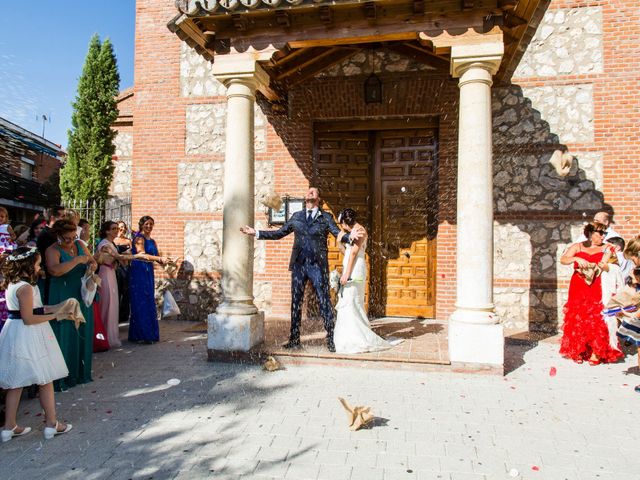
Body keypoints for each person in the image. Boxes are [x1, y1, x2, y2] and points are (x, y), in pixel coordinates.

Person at [240, 187, 360, 352]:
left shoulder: (326, 217)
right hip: (299, 265)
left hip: (318, 266)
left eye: (314, 191)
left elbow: (336, 232)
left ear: (319, 198)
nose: (310, 193)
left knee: (324, 301)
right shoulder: (296, 216)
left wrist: (349, 237)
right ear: (306, 198)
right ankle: (294, 338)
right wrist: (256, 232)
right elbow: (279, 233)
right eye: (308, 191)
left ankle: (331, 338)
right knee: (296, 301)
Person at [0, 247, 72, 442]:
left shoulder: (13, 285)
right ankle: (51, 423)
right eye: (38, 263)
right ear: (28, 265)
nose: (39, 266)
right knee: (44, 379)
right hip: (29, 334)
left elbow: (36, 308)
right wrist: (57, 316)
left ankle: (9, 427)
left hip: (14, 332)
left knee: (16, 382)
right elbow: (29, 318)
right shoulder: (26, 288)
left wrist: (60, 306)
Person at [333, 209, 397, 354]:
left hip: (355, 269)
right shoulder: (351, 232)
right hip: (349, 266)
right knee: (348, 301)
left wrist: (346, 274)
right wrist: (339, 242)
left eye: (341, 224)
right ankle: (347, 336)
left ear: (344, 222)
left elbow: (354, 254)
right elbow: (347, 252)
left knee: (352, 301)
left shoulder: (360, 230)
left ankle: (357, 338)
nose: (342, 227)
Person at [559, 221, 622, 365]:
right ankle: (579, 350)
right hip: (578, 285)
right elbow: (563, 259)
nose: (603, 236)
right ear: (590, 233)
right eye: (600, 233)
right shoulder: (578, 246)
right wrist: (575, 258)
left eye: (604, 233)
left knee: (597, 317)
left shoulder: (608, 248)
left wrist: (605, 266)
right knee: (578, 316)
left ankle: (596, 351)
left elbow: (616, 268)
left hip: (598, 285)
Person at [46, 220, 97, 390]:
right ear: (58, 236)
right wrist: (76, 260)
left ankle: (80, 373)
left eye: (73, 236)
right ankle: (63, 377)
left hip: (80, 293)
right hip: (63, 294)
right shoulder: (52, 250)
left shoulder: (80, 244)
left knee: (81, 330)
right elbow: (55, 270)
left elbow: (92, 261)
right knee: (65, 332)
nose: (70, 241)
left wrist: (92, 265)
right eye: (66, 238)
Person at [129, 216, 169, 343]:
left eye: (151, 224)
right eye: (146, 224)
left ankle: (149, 333)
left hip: (148, 271)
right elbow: (142, 254)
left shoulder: (152, 240)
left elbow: (156, 257)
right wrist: (159, 259)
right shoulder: (139, 238)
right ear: (141, 225)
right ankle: (142, 335)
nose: (149, 226)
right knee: (141, 300)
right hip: (139, 270)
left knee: (148, 300)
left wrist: (165, 261)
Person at [96, 221, 124, 348]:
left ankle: (111, 335)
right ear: (107, 231)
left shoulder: (111, 243)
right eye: (113, 228)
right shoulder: (104, 244)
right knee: (107, 303)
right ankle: (104, 336)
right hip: (105, 273)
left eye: (117, 228)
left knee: (113, 304)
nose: (116, 230)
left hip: (111, 272)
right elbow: (115, 256)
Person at [36, 206, 66, 303]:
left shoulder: (56, 232)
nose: (65, 219)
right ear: (53, 218)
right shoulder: (45, 235)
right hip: (50, 277)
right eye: (63, 216)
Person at [114, 221, 132, 325]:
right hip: (117, 268)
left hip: (126, 268)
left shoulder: (128, 241)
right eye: (120, 228)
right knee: (118, 291)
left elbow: (131, 254)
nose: (122, 230)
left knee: (126, 292)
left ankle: (124, 316)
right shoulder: (114, 241)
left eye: (123, 228)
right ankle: (116, 316)